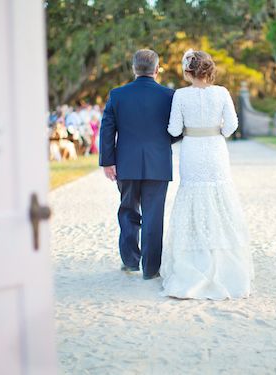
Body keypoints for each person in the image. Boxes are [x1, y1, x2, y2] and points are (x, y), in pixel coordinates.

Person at [161, 49, 253, 300]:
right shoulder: (222, 93)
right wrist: (217, 131)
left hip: (191, 150)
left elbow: (174, 128)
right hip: (215, 150)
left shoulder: (180, 95)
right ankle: (222, 256)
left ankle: (194, 257)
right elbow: (232, 126)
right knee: (218, 196)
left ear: (189, 71)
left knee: (193, 196)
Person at [99, 49, 180, 280]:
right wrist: (163, 142)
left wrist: (108, 161)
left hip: (126, 163)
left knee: (127, 211)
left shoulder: (117, 95)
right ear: (157, 69)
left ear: (134, 68)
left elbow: (107, 129)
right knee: (154, 216)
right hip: (158, 163)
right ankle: (151, 268)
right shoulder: (170, 96)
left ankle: (130, 261)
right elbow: (177, 129)